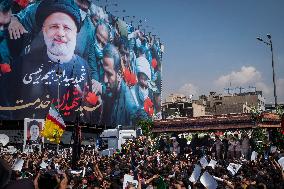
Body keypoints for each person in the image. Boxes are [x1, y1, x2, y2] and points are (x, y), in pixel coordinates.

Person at [1, 0, 95, 120]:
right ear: (43, 29)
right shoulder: (19, 69)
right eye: (54, 26)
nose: (60, 33)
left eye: (67, 28)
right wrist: (14, 20)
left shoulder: (83, 67)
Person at [100, 44, 139, 127]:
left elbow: (136, 115)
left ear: (119, 74)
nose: (105, 80)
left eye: (109, 74)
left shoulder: (129, 105)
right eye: (103, 73)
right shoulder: (109, 91)